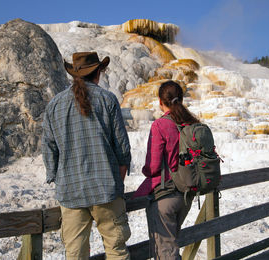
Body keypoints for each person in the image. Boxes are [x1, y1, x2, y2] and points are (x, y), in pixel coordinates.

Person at [42, 52, 132, 260]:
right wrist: (116, 184)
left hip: (71, 193)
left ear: (74, 74)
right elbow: (123, 151)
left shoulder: (55, 104)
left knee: (75, 255)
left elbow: (49, 149)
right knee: (117, 251)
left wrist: (59, 178)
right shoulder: (108, 100)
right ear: (98, 72)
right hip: (106, 190)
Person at [134, 80, 199, 259]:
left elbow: (154, 166)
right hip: (186, 194)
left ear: (160, 101)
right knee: (171, 246)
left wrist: (145, 170)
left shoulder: (160, 125)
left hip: (165, 195)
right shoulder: (191, 124)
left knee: (166, 252)